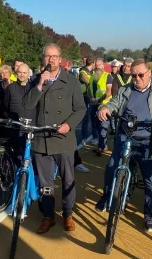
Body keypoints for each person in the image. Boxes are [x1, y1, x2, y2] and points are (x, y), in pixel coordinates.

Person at [96, 59, 152, 232]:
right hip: (126, 137)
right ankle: (107, 196)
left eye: (141, 74)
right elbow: (114, 103)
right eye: (133, 75)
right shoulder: (126, 89)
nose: (137, 78)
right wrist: (105, 108)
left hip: (149, 141)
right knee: (111, 167)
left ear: (149, 73)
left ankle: (149, 215)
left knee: (150, 179)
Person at [23, 43, 86, 234]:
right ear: (43, 59)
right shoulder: (35, 79)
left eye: (55, 56)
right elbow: (27, 105)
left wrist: (68, 125)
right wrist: (40, 85)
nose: (51, 60)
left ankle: (68, 214)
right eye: (48, 56)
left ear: (60, 59)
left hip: (63, 138)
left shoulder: (72, 81)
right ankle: (48, 216)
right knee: (45, 183)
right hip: (42, 139)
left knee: (68, 180)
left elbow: (80, 109)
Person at [89, 58, 113, 156]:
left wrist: (98, 100)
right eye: (96, 65)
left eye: (100, 65)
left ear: (103, 66)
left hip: (104, 105)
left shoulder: (108, 76)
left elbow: (109, 91)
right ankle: (102, 145)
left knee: (103, 126)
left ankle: (102, 147)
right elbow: (88, 89)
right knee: (96, 126)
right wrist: (91, 99)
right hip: (93, 104)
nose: (98, 67)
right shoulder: (92, 77)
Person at [78, 57, 95, 144]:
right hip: (84, 97)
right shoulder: (83, 72)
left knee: (91, 118)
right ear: (92, 64)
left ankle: (91, 136)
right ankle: (84, 137)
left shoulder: (91, 72)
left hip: (89, 97)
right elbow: (89, 82)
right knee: (85, 118)